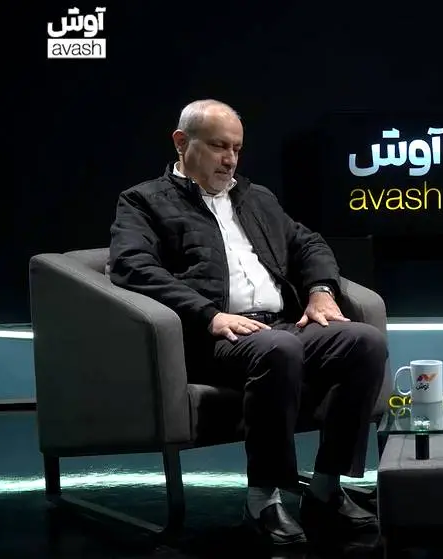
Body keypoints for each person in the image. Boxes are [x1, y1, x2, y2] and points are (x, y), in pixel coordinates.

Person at [107, 99, 387, 546]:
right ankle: (262, 500)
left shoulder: (256, 198)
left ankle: (325, 488)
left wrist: (321, 291)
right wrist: (209, 314)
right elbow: (131, 265)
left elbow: (309, 244)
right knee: (280, 349)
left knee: (364, 342)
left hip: (278, 325)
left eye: (236, 148)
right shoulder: (144, 201)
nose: (230, 159)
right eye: (219, 146)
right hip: (210, 335)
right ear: (181, 143)